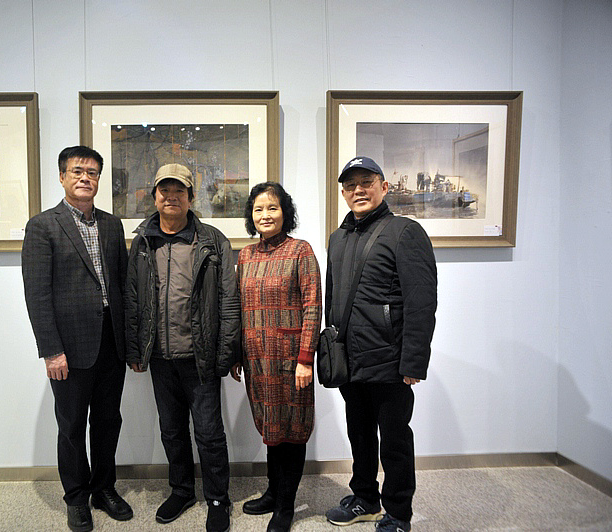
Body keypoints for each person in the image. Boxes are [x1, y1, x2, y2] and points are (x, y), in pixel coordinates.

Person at [125, 163, 240, 532]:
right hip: (159, 356)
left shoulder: (211, 240)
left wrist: (226, 352)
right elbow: (132, 296)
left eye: (179, 190)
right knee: (171, 430)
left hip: (200, 356)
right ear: (154, 195)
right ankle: (182, 489)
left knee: (209, 432)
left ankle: (218, 498)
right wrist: (134, 350)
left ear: (191, 197)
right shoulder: (143, 240)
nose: (171, 197)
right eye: (164, 190)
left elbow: (228, 299)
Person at [22, 146, 132, 532]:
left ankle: (104, 489)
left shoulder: (112, 224)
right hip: (69, 347)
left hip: (111, 342)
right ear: (62, 176)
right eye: (78, 171)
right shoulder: (42, 225)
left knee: (108, 421)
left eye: (93, 172)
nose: (86, 177)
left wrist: (130, 343)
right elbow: (36, 294)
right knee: (71, 426)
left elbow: (122, 286)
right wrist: (51, 350)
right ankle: (76, 497)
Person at [324, 156, 437, 532]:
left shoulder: (405, 231)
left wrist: (413, 362)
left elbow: (422, 301)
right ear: (343, 192)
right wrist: (332, 346)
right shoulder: (338, 238)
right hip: (351, 360)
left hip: (390, 361)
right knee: (358, 434)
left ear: (384, 187)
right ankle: (366, 499)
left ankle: (398, 513)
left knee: (394, 440)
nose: (359, 189)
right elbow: (333, 296)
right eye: (351, 184)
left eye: (367, 181)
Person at [232, 182, 321, 532]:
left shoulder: (301, 251)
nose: (265, 215)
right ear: (251, 216)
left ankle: (285, 507)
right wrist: (237, 354)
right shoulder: (246, 256)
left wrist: (305, 359)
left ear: (285, 212)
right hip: (257, 361)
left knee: (292, 431)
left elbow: (313, 307)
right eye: (258, 209)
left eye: (272, 207)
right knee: (270, 428)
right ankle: (272, 492)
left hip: (290, 361)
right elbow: (240, 308)